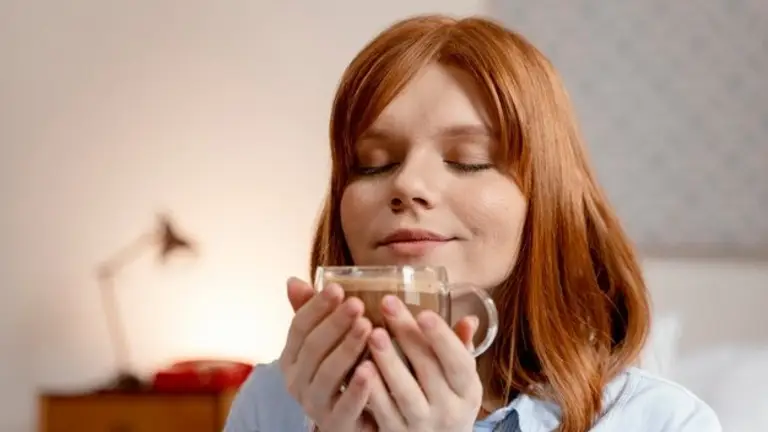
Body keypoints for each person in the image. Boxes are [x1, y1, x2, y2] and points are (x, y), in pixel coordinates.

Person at [224, 14, 721, 432]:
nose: (407, 183)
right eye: (373, 164)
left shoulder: (664, 422)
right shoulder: (271, 404)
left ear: (545, 201)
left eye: (468, 160)